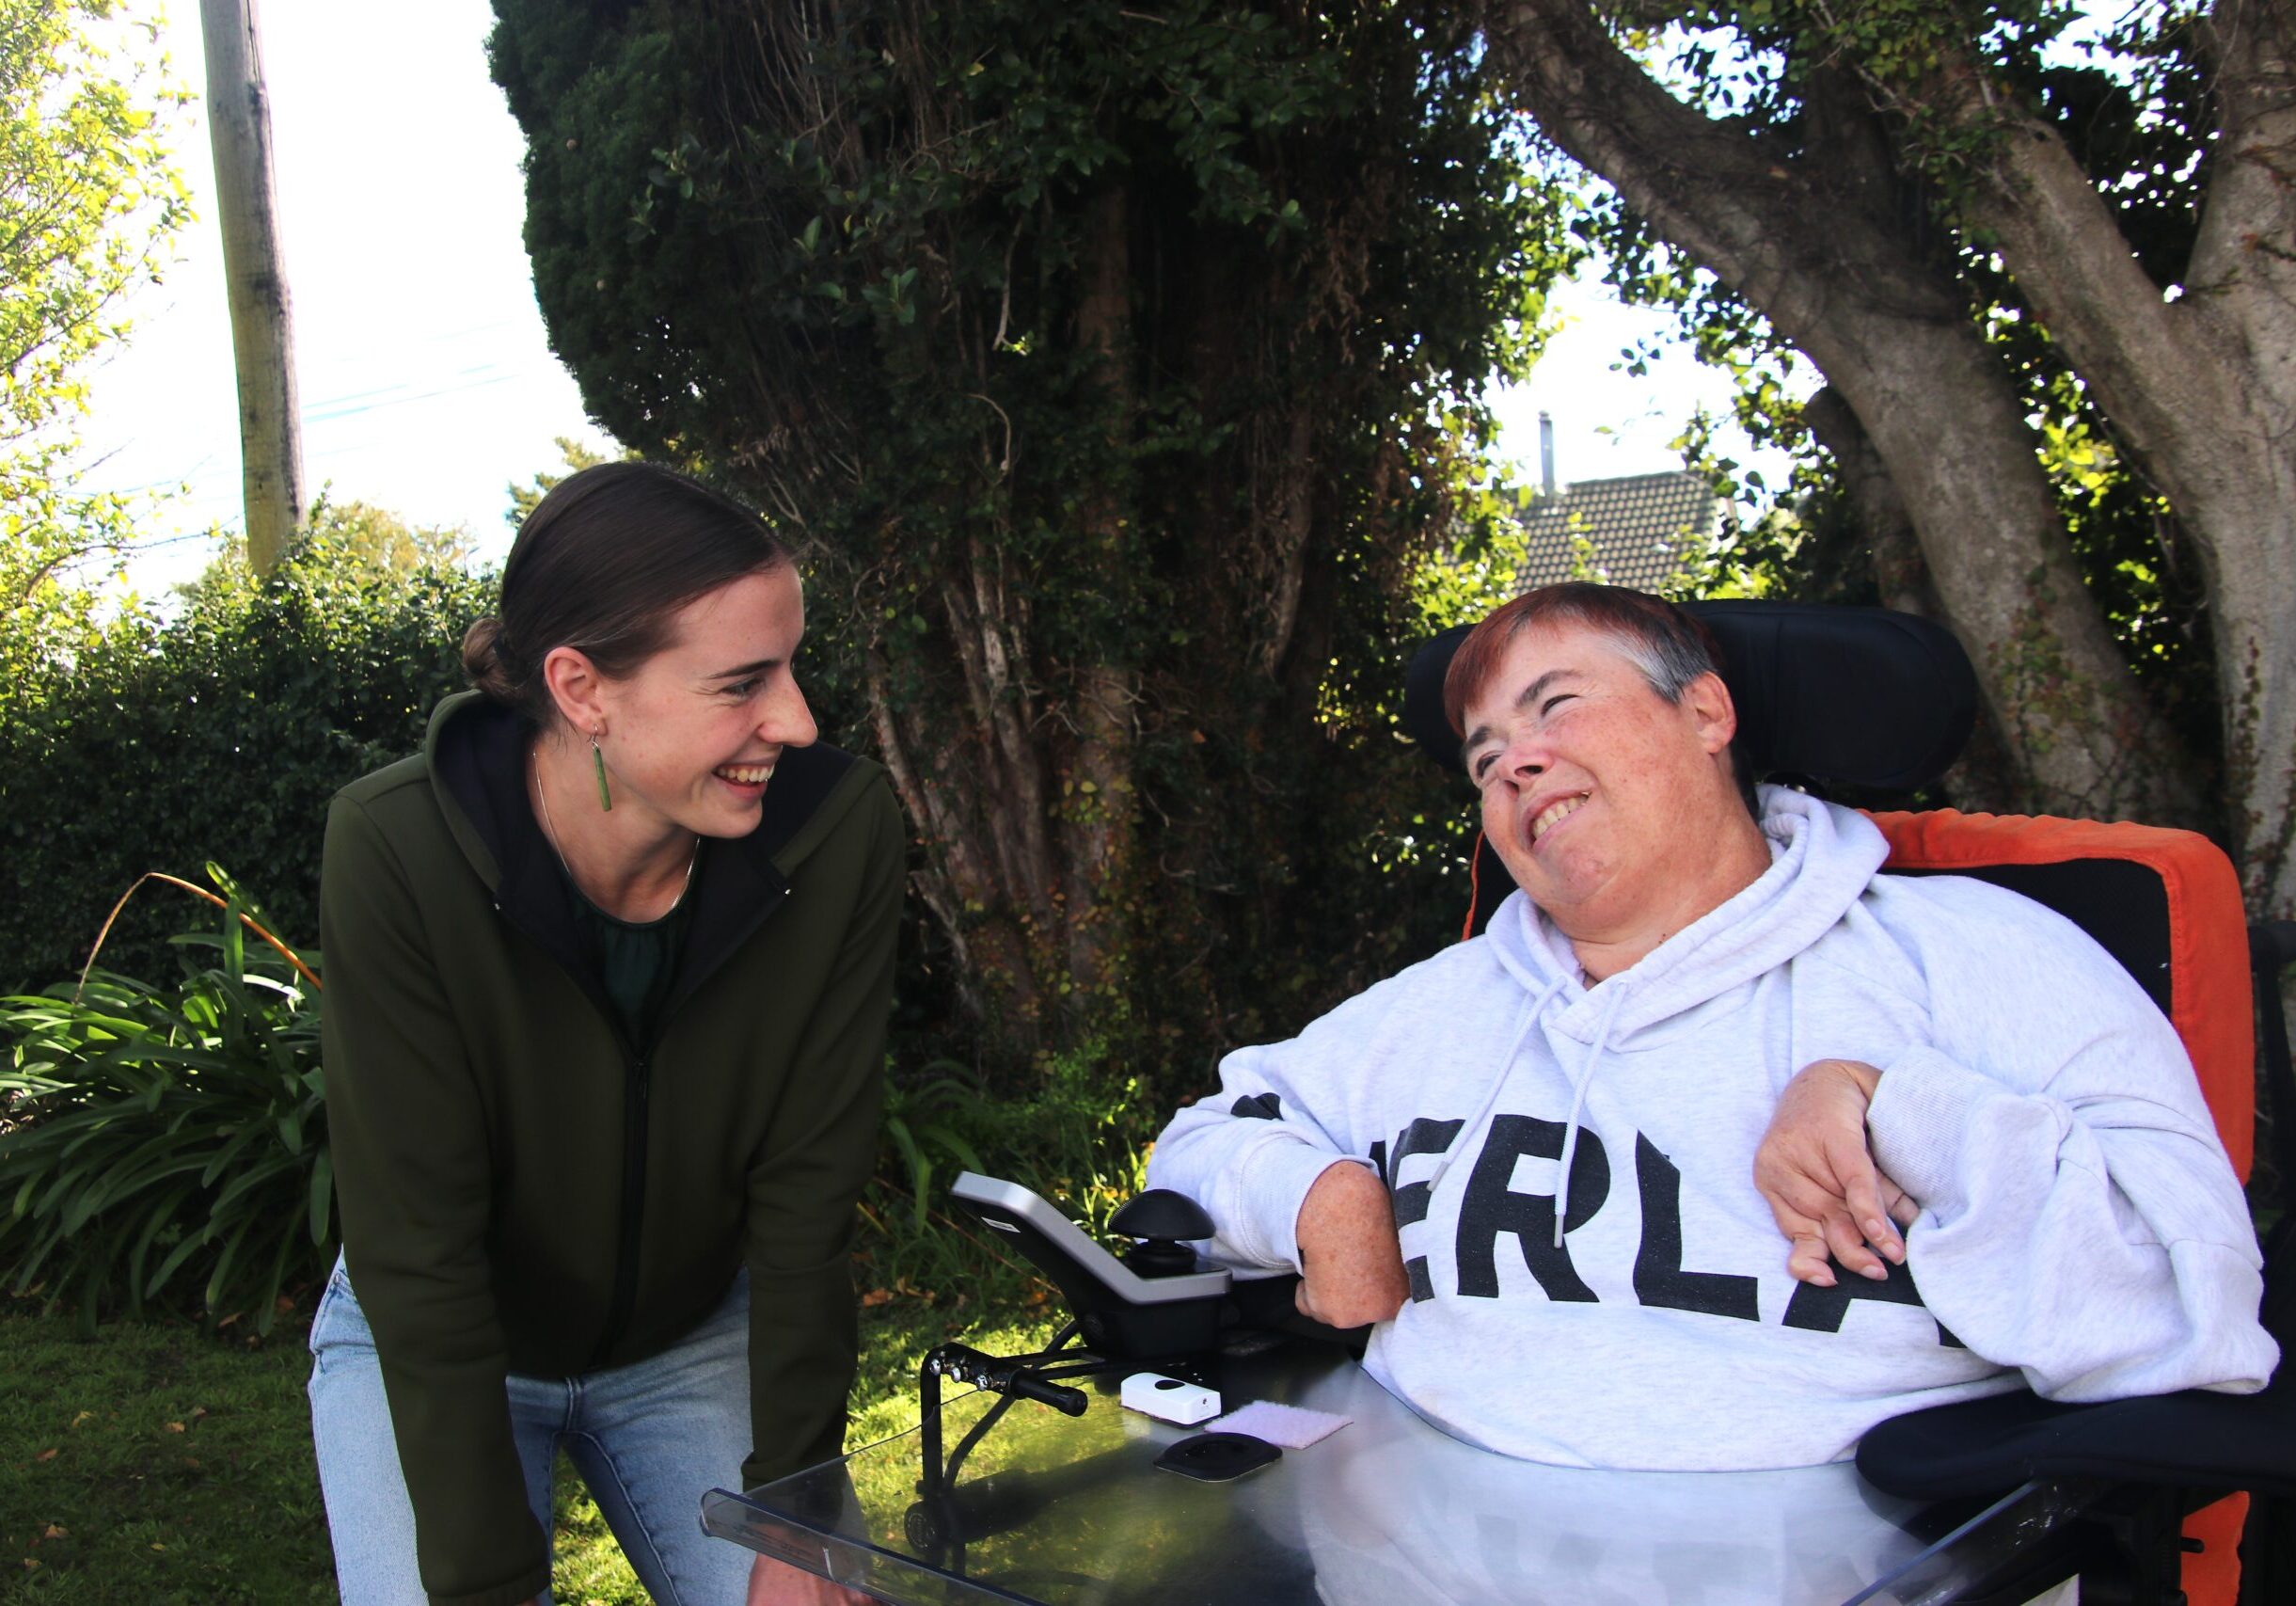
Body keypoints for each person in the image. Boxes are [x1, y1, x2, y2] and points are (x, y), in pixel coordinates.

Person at [1147, 582, 2277, 1471]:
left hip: (1844, 1548)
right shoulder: (1435, 1006)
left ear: (1704, 713)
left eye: (1555, 707)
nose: (1513, 764)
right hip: (1423, 1529)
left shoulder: (1975, 953)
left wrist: (1891, 1103)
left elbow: (2192, 1312)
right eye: (1484, 758)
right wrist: (1314, 1204)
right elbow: (1200, 1140)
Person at [309, 462, 900, 1605]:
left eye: (790, 666)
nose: (797, 720)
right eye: (741, 684)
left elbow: (808, 1190)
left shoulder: (835, 836)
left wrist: (796, 1512)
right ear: (581, 688)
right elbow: (419, 1254)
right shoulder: (394, 849)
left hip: (694, 1338)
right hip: (431, 1341)